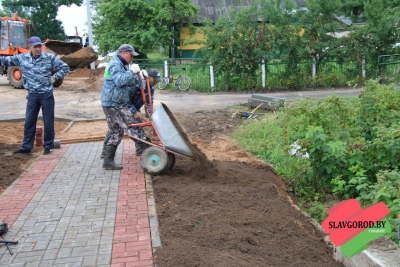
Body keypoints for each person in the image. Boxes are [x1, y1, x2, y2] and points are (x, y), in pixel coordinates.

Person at [0, 36, 70, 155]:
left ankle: (48, 146)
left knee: (48, 122)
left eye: (39, 46)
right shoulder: (22, 58)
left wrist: (54, 78)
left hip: (46, 95)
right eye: (35, 47)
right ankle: (26, 147)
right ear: (30, 47)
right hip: (32, 95)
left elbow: (65, 67)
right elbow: (5, 61)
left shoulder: (48, 58)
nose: (38, 49)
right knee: (29, 121)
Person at [101, 44, 150, 170]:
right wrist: (131, 72)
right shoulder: (115, 64)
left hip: (112, 103)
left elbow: (129, 82)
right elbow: (120, 81)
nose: (132, 58)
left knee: (115, 132)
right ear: (123, 53)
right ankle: (149, 151)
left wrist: (139, 77)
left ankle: (107, 161)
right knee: (133, 125)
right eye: (131, 55)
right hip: (114, 104)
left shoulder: (121, 64)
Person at [100, 68, 162, 159]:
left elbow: (149, 102)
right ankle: (105, 152)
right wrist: (134, 111)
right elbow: (125, 100)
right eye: (155, 80)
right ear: (148, 77)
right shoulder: (135, 84)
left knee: (137, 126)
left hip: (135, 107)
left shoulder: (151, 87)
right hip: (123, 107)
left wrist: (150, 114)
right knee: (115, 128)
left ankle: (140, 149)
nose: (156, 82)